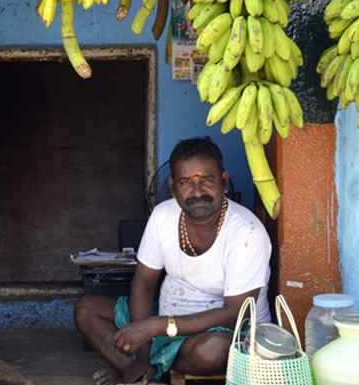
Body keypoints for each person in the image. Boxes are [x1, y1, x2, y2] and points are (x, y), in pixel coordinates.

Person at [75, 137, 272, 384]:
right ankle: (139, 370)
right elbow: (144, 283)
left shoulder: (247, 232)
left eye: (207, 180)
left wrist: (154, 327)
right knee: (87, 310)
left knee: (213, 352)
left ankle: (136, 372)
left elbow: (235, 313)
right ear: (173, 187)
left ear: (224, 182)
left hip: (222, 330)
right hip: (164, 320)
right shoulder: (163, 216)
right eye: (185, 182)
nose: (197, 191)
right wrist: (143, 350)